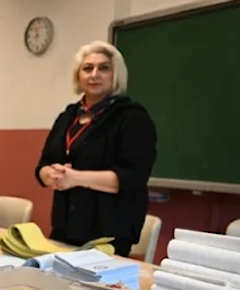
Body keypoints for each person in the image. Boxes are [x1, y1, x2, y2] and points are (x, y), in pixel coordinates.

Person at [35, 40, 157, 257]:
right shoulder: (68, 116)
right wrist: (50, 175)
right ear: (78, 76)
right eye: (87, 68)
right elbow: (43, 164)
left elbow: (133, 177)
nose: (94, 74)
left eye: (104, 68)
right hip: (65, 225)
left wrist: (75, 178)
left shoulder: (132, 117)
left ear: (115, 74)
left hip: (109, 230)